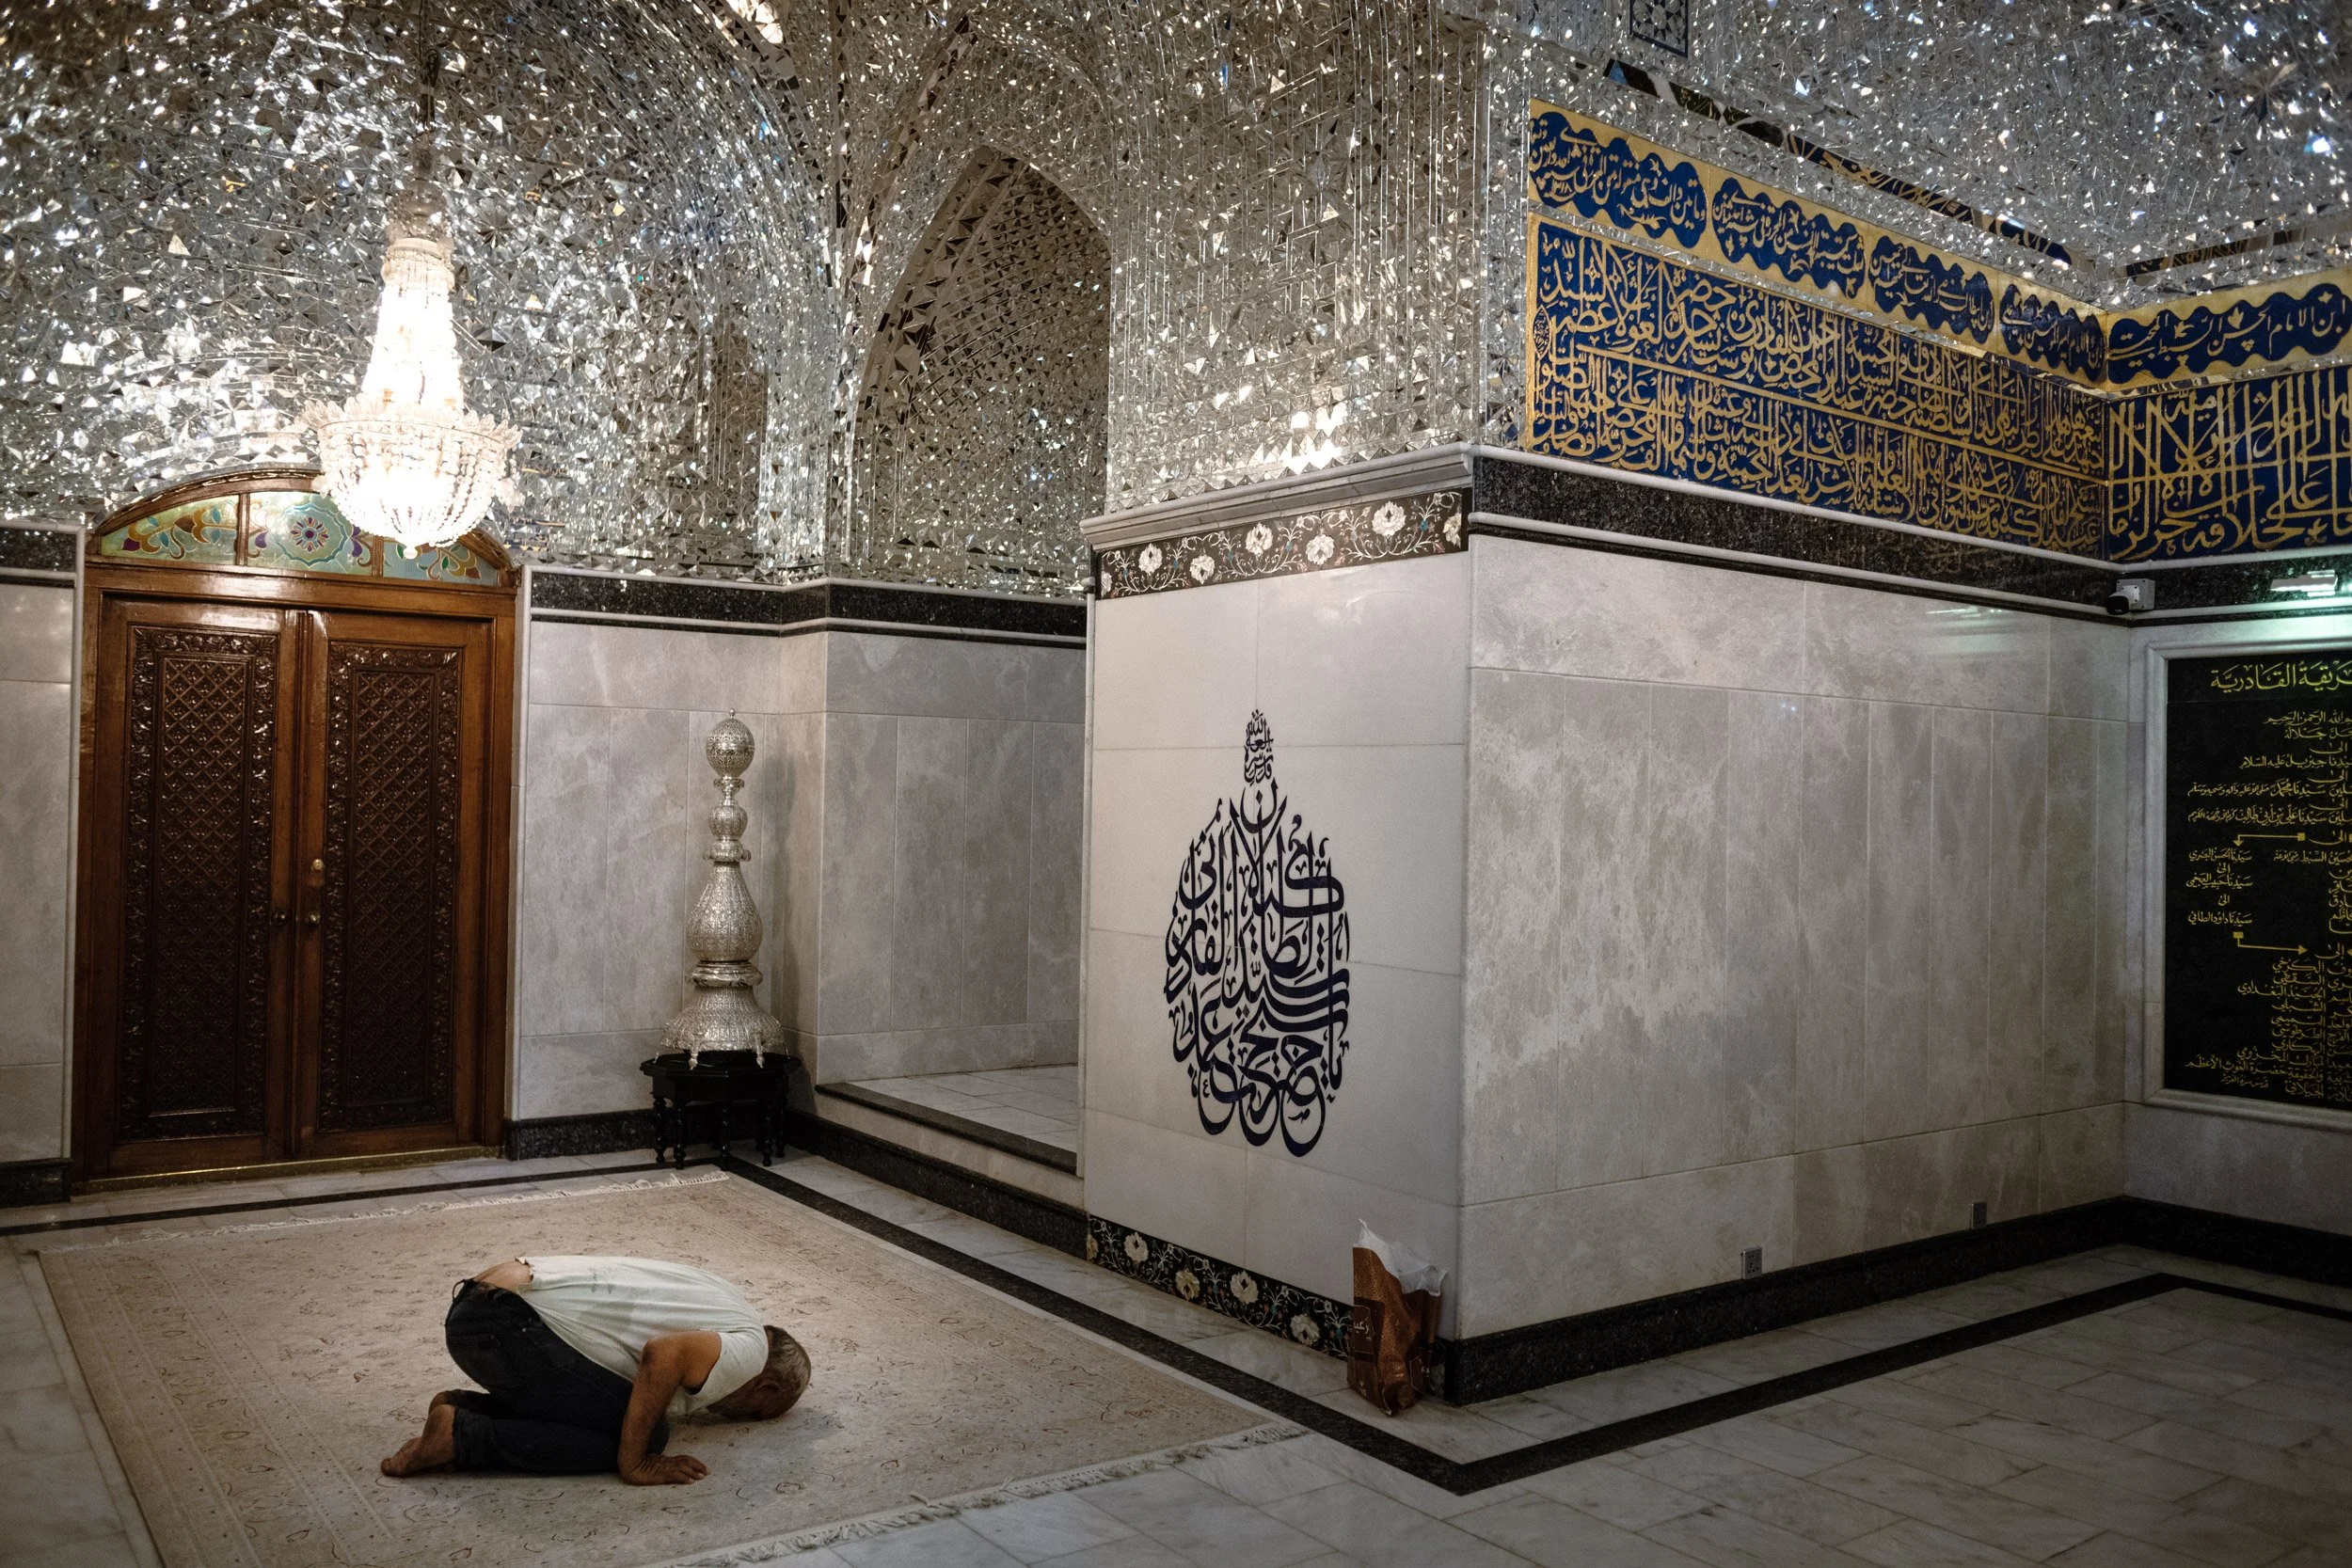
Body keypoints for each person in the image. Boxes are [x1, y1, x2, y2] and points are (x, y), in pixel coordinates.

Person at [380, 1255, 811, 1484]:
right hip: (503, 1328)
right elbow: (665, 1353)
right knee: (644, 1434)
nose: (742, 1418)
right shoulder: (751, 1351)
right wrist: (637, 1462)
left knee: (629, 1413)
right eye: (758, 1413)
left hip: (479, 1303)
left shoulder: (729, 1297)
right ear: (767, 1387)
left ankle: (462, 1411)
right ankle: (462, 1437)